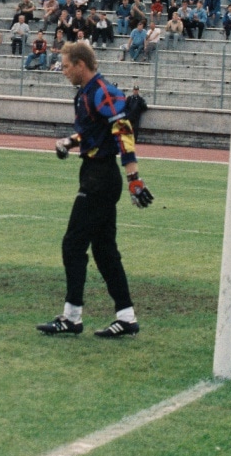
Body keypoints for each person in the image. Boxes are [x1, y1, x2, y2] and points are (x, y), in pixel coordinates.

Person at [37, 41, 153, 338]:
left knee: (73, 243)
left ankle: (71, 317)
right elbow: (92, 133)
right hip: (93, 172)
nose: (62, 71)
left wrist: (134, 178)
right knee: (104, 250)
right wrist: (69, 142)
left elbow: (123, 129)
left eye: (64, 66)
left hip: (100, 177)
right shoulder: (86, 94)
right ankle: (126, 317)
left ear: (80, 64)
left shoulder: (103, 91)